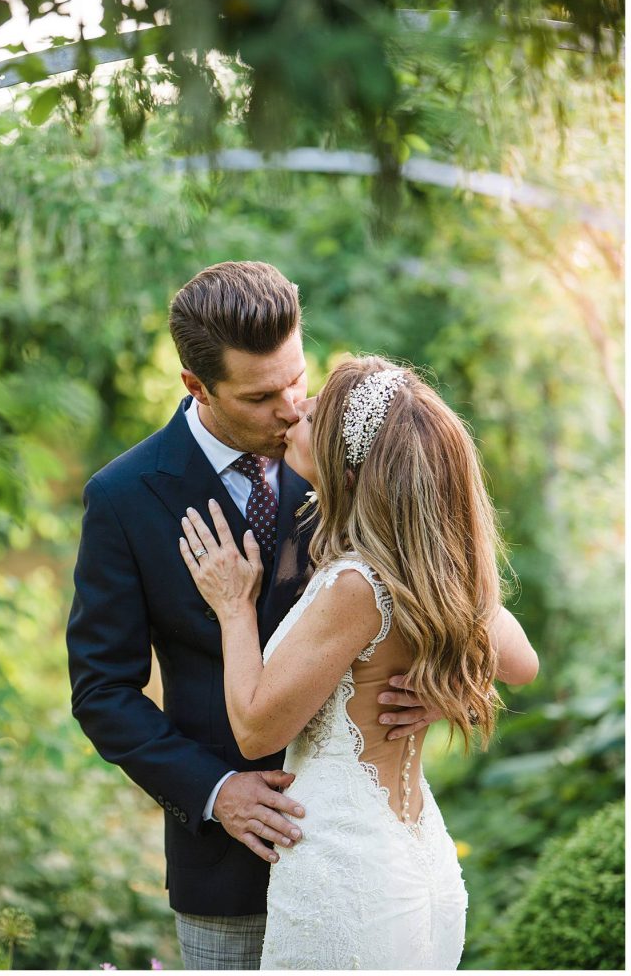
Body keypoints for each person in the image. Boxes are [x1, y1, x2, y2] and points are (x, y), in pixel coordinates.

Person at [66, 262, 431, 971]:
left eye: (298, 378)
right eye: (262, 395)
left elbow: (428, 592)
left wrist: (431, 688)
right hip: (226, 869)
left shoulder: (346, 456)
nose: (294, 409)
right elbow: (101, 690)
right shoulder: (123, 498)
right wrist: (214, 791)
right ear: (196, 387)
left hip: (360, 848)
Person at [179, 355, 540, 970]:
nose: (297, 411)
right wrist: (445, 682)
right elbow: (520, 663)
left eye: (317, 410)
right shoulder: (432, 565)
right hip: (415, 855)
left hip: (347, 876)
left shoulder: (356, 583)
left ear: (349, 462)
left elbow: (256, 728)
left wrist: (235, 608)